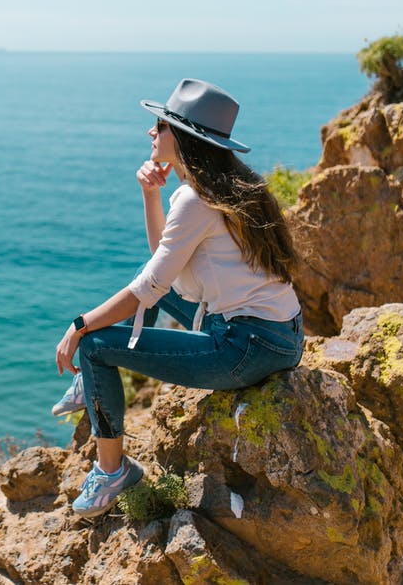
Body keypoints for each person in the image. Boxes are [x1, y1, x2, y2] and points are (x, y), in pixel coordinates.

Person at [53, 79, 304, 518]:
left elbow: (150, 289)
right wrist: (151, 194)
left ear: (184, 138)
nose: (152, 133)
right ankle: (91, 385)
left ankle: (113, 472)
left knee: (94, 346)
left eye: (160, 125)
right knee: (139, 284)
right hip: (281, 337)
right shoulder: (231, 186)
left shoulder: (196, 199)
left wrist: (80, 325)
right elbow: (159, 268)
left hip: (245, 348)